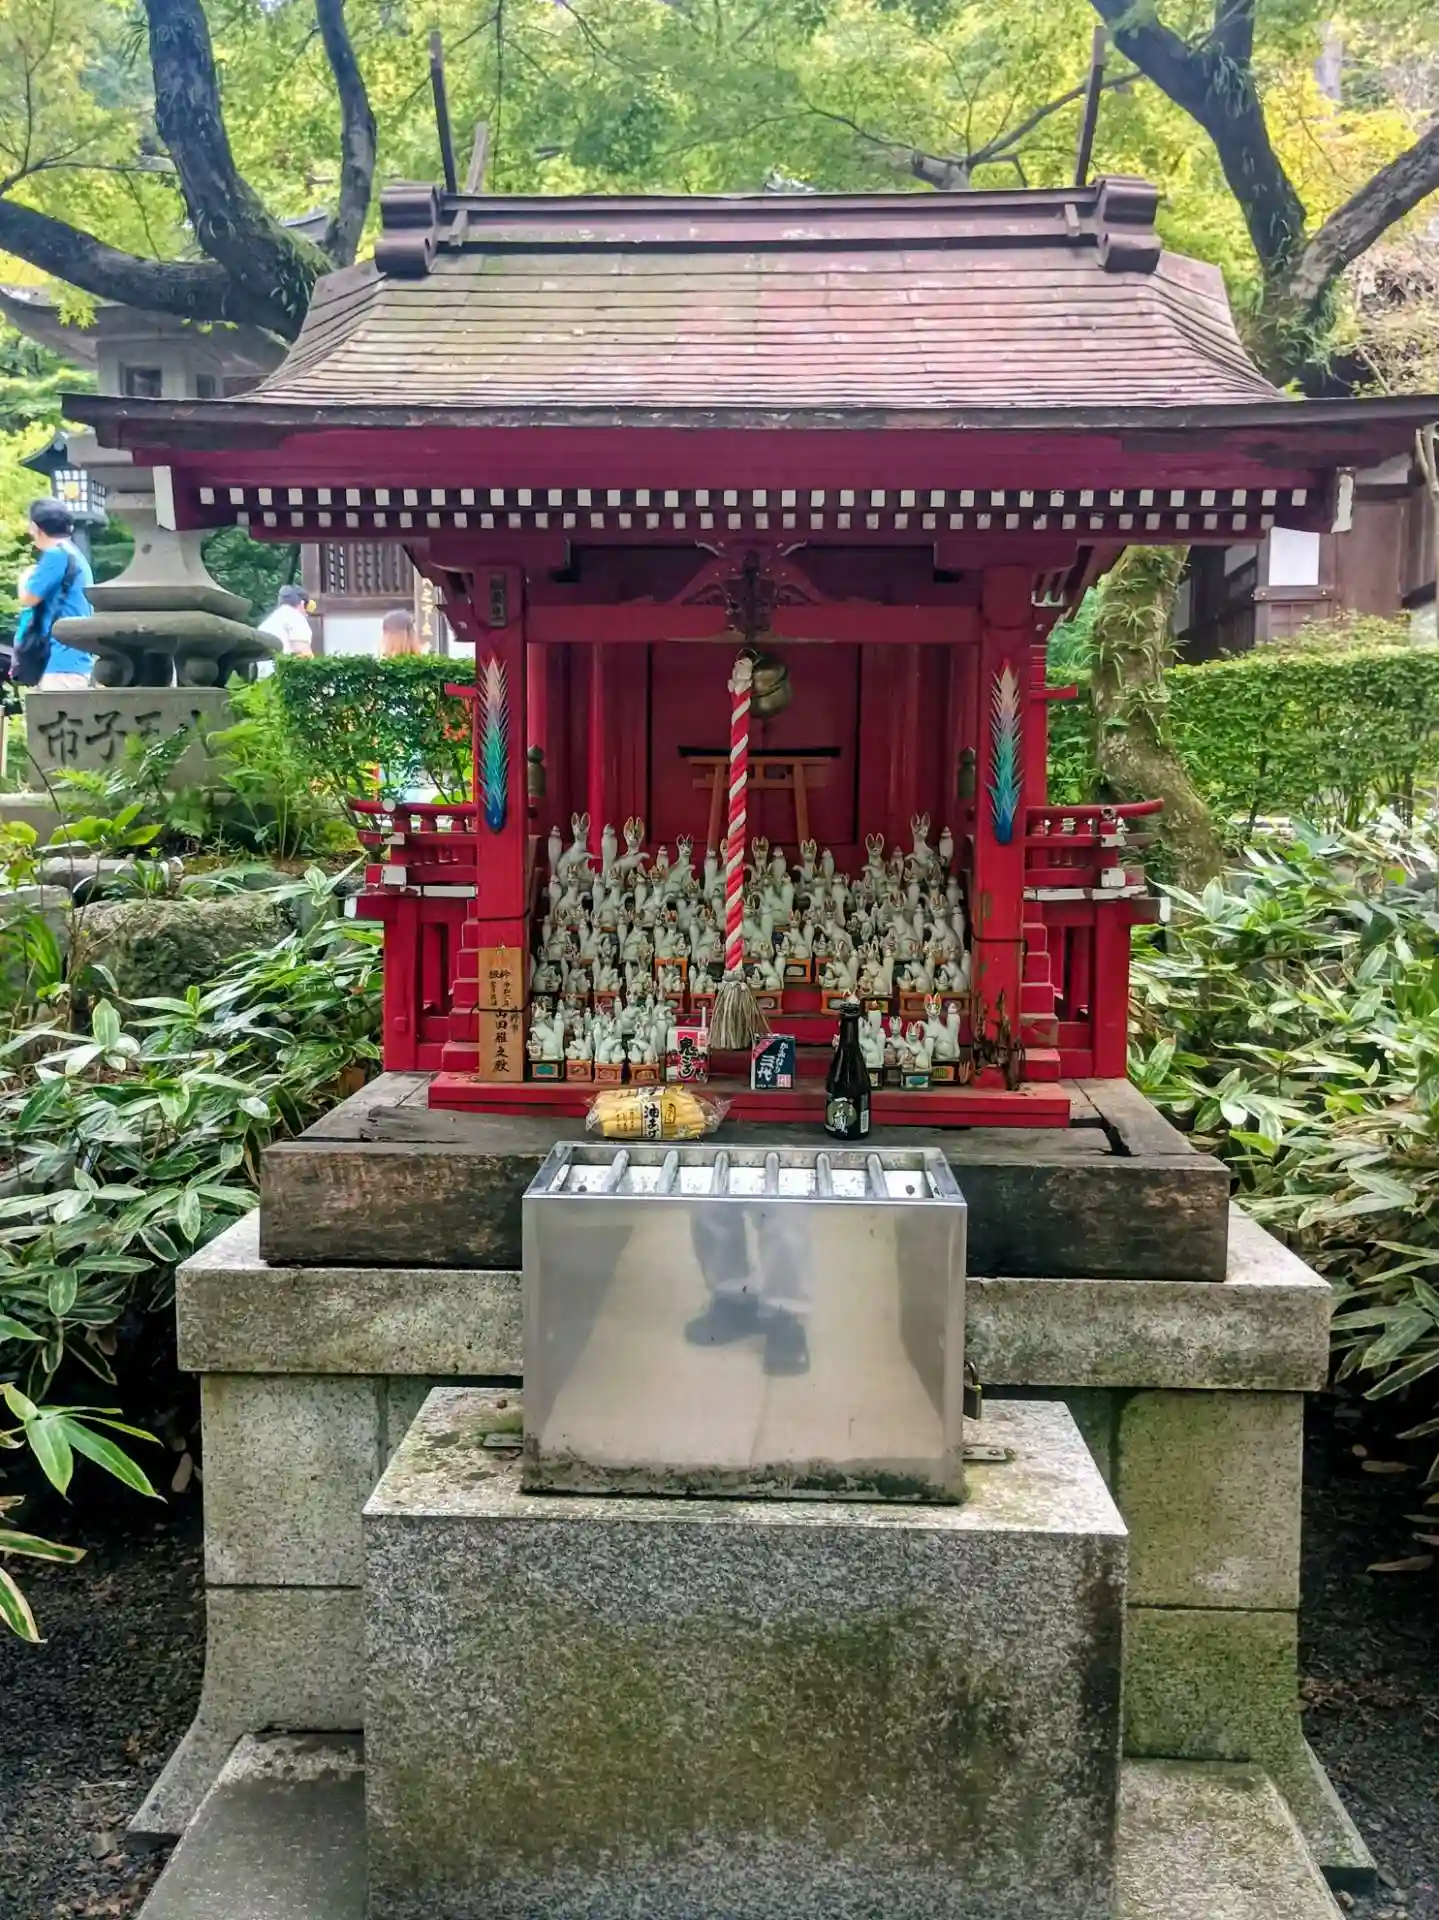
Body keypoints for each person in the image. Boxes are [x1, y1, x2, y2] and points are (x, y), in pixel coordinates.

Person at [13, 499, 94, 689]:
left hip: (59, 661)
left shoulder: (56, 555)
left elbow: (29, 598)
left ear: (36, 528)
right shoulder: (74, 554)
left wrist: (24, 577)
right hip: (73, 658)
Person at [257, 584, 313, 666]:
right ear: (302, 603)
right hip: (283, 670)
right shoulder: (295, 617)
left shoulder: (268, 621)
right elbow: (302, 652)